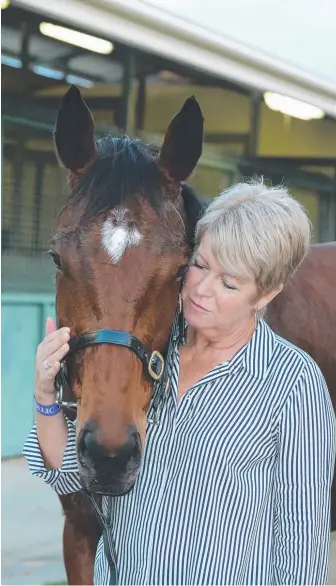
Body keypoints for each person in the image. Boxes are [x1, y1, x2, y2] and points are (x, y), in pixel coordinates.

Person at [24, 179, 335, 585]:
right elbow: (71, 476)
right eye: (200, 266)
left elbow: (301, 544)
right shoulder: (150, 357)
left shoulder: (292, 384)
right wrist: (45, 396)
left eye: (229, 283)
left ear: (265, 294)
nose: (203, 290)